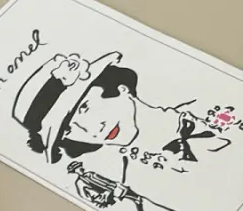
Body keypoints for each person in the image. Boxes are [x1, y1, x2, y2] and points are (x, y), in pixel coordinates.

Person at [12, 50, 232, 169]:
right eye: (68, 131)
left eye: (84, 108)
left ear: (121, 88)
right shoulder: (128, 179)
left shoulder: (200, 91)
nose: (92, 131)